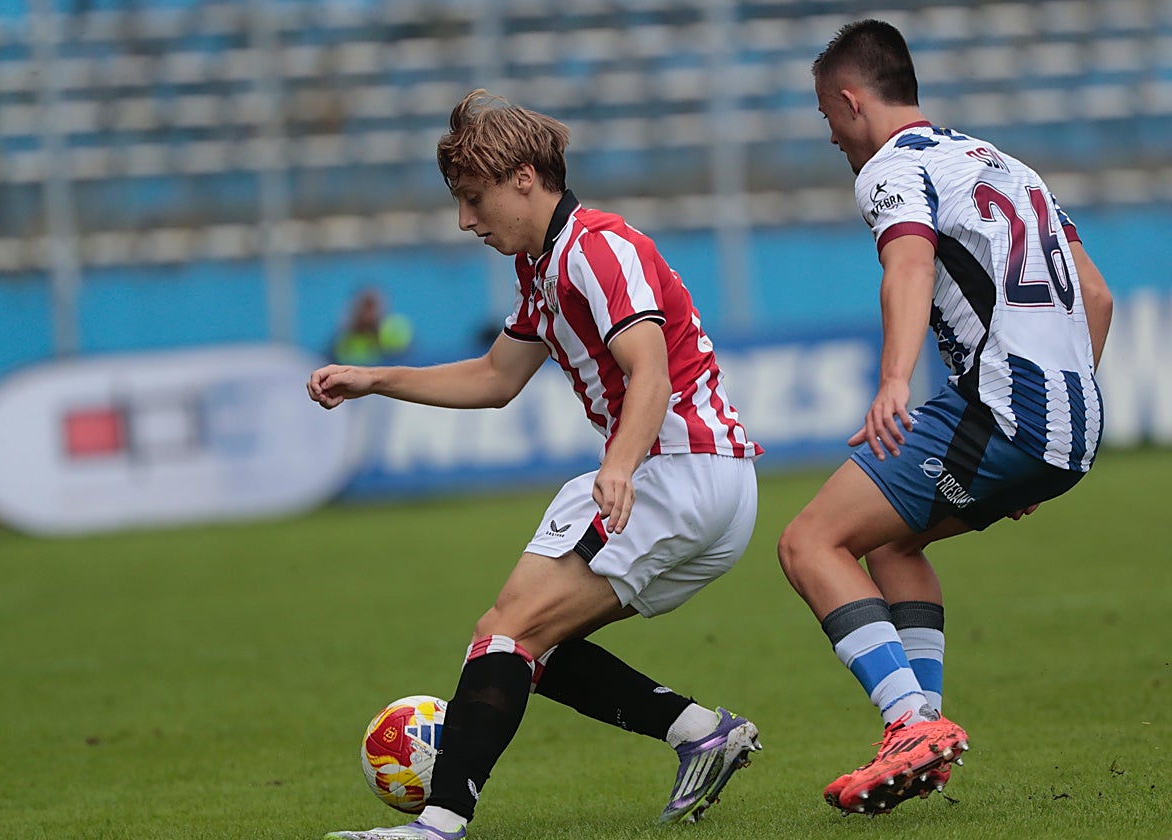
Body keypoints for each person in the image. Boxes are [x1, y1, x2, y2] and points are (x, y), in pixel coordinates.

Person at [308, 89, 764, 840]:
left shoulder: (597, 247)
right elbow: (495, 379)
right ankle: (697, 732)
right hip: (693, 482)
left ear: (524, 177)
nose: (465, 221)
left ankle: (439, 824)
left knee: (503, 632)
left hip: (677, 472)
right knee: (529, 644)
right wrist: (373, 379)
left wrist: (618, 467)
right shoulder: (545, 265)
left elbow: (648, 371)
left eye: (473, 199)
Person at [777, 19, 1114, 817]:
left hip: (1006, 407)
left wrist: (894, 379)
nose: (833, 138)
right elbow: (1095, 297)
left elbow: (910, 262)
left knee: (809, 542)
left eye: (829, 118)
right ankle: (922, 730)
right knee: (893, 546)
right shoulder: (1007, 165)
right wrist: (1051, 435)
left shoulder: (892, 167)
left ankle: (906, 721)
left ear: (851, 101)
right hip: (1070, 421)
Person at [330, 287, 414, 366]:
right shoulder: (343, 339)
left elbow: (407, 363)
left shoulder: (395, 335)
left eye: (371, 307)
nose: (367, 314)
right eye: (364, 307)